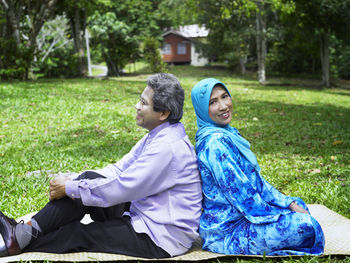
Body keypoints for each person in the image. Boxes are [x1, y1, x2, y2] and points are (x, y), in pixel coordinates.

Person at [0, 73, 202, 259]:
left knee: (78, 234)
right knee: (88, 179)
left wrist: (69, 187)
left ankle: (17, 242)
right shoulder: (159, 135)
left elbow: (122, 186)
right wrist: (74, 181)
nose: (136, 106)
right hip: (142, 211)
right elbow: (118, 169)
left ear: (163, 113)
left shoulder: (167, 148)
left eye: (143, 103)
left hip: (158, 236)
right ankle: (21, 234)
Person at [190, 78, 325, 256]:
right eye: (213, 102)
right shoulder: (215, 143)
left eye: (225, 97)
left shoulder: (228, 133)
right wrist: (276, 214)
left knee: (297, 205)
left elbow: (256, 181)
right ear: (201, 109)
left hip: (244, 216)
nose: (223, 106)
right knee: (306, 226)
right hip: (227, 231)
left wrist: (288, 204)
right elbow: (242, 194)